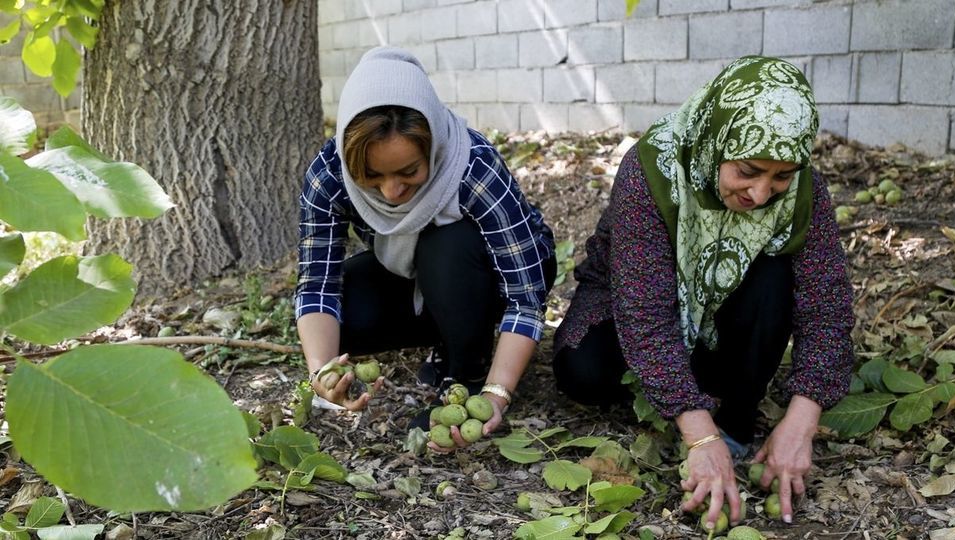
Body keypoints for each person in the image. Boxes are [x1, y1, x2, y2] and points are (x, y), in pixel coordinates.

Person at [552, 56, 854, 528]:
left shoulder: (804, 190)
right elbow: (644, 311)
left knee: (776, 276)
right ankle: (686, 399)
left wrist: (802, 421)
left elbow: (827, 304)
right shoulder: (652, 170)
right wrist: (697, 437)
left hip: (730, 304)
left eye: (780, 176)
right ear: (718, 142)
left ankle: (732, 418)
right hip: (638, 296)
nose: (761, 193)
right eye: (748, 171)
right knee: (582, 370)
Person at [295, 46, 556, 449]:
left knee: (445, 243)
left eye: (409, 172)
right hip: (413, 273)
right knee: (341, 316)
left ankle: (466, 371)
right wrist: (323, 375)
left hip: (490, 278)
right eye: (371, 176)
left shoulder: (472, 164)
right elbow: (317, 286)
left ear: (430, 144)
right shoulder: (329, 174)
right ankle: (450, 334)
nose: (392, 191)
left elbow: (525, 297)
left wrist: (496, 394)